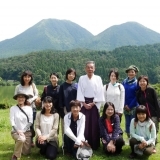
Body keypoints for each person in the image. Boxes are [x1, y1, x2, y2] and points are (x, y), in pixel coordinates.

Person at [77, 61, 104, 150]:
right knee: (84, 124)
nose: (90, 69)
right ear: (85, 68)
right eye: (88, 67)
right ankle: (84, 142)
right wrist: (83, 103)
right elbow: (80, 91)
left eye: (91, 67)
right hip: (84, 102)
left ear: (94, 68)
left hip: (94, 103)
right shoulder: (81, 78)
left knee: (94, 124)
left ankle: (95, 144)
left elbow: (100, 91)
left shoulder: (98, 78)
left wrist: (93, 103)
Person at [14, 70, 39, 146]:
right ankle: (20, 139)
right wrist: (23, 101)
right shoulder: (18, 87)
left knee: (30, 125)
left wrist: (31, 100)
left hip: (32, 109)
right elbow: (15, 96)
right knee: (21, 124)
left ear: (31, 78)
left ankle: (30, 140)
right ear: (22, 77)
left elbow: (36, 95)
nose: (27, 78)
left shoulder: (33, 85)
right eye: (25, 76)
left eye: (29, 77)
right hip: (21, 109)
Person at [10, 92, 33, 160]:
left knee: (26, 153)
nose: (21, 99)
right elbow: (12, 121)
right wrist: (18, 131)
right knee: (21, 139)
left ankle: (19, 144)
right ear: (16, 98)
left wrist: (23, 131)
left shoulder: (29, 108)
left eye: (22, 97)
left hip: (27, 132)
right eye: (19, 97)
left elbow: (31, 121)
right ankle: (15, 156)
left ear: (25, 99)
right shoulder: (13, 108)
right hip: (15, 131)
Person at [59, 68, 77, 136]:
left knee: (74, 126)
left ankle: (74, 142)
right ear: (67, 75)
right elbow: (60, 98)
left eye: (73, 74)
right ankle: (65, 143)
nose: (71, 75)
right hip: (65, 109)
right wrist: (61, 110)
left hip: (74, 109)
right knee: (65, 126)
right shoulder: (62, 86)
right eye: (70, 74)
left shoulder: (75, 86)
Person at [122, 65, 139, 138]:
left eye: (132, 72)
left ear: (135, 73)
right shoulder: (124, 82)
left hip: (134, 106)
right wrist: (125, 104)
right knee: (127, 122)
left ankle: (134, 137)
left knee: (134, 122)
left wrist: (130, 105)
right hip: (125, 106)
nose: (130, 73)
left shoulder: (137, 83)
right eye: (129, 72)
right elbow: (122, 94)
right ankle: (129, 137)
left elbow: (137, 96)